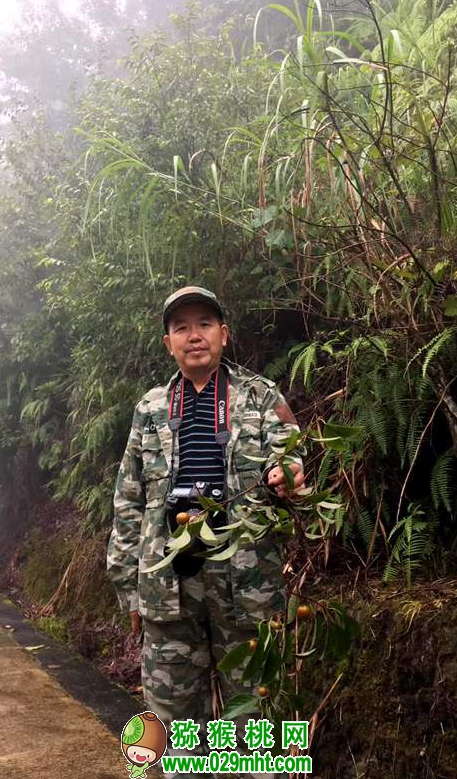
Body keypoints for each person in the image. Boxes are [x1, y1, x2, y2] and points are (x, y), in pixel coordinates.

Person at [107, 286, 304, 753]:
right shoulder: (150, 409)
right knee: (176, 731)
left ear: (224, 334)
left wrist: (289, 474)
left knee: (258, 724)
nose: (194, 336)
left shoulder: (260, 396)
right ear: (168, 343)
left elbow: (293, 458)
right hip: (167, 586)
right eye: (181, 328)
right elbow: (128, 501)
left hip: (248, 584)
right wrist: (127, 588)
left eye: (204, 325)